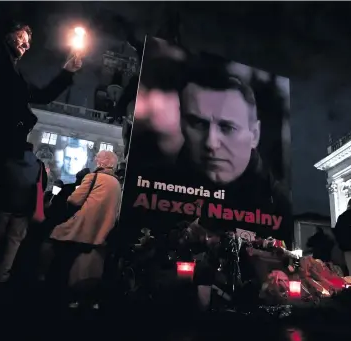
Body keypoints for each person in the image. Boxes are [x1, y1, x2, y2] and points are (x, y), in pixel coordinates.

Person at [125, 56, 292, 245]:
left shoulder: (278, 204)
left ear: (254, 134)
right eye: (198, 123)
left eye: (227, 127)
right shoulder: (147, 187)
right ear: (181, 122)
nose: (211, 143)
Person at [0, 19, 82, 239]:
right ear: (7, 34)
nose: (27, 45)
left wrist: (67, 72)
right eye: (22, 37)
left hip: (0, 149)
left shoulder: (14, 73)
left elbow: (42, 96)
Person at [0, 118, 48, 285]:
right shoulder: (37, 165)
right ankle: (2, 276)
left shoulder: (7, 160)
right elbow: (41, 187)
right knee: (13, 245)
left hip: (2, 206)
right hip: (22, 211)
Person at [47, 151, 122, 309]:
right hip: (102, 231)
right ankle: (87, 299)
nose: (95, 160)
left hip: (82, 228)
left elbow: (75, 200)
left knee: (62, 255)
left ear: (102, 162)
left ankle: (58, 295)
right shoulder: (116, 183)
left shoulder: (93, 177)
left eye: (97, 159)